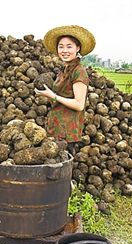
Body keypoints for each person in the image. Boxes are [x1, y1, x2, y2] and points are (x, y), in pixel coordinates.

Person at [34, 25, 96, 155]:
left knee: (62, 170)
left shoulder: (79, 72)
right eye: (61, 46)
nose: (64, 50)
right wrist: (48, 95)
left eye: (69, 46)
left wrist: (53, 96)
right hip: (56, 128)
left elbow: (79, 105)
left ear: (77, 48)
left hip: (67, 133)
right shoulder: (64, 70)